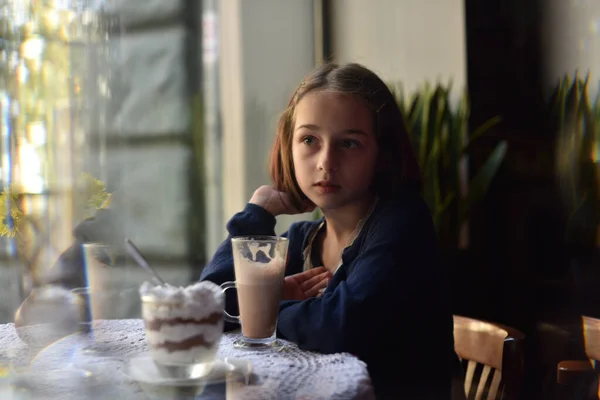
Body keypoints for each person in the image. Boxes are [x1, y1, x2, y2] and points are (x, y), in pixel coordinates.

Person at [200, 62, 461, 399]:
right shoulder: (302, 240)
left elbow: (342, 325)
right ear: (288, 147)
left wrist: (265, 307)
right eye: (309, 139)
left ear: (382, 154)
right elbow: (207, 308)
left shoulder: (402, 222)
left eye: (349, 143)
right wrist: (258, 213)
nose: (326, 161)